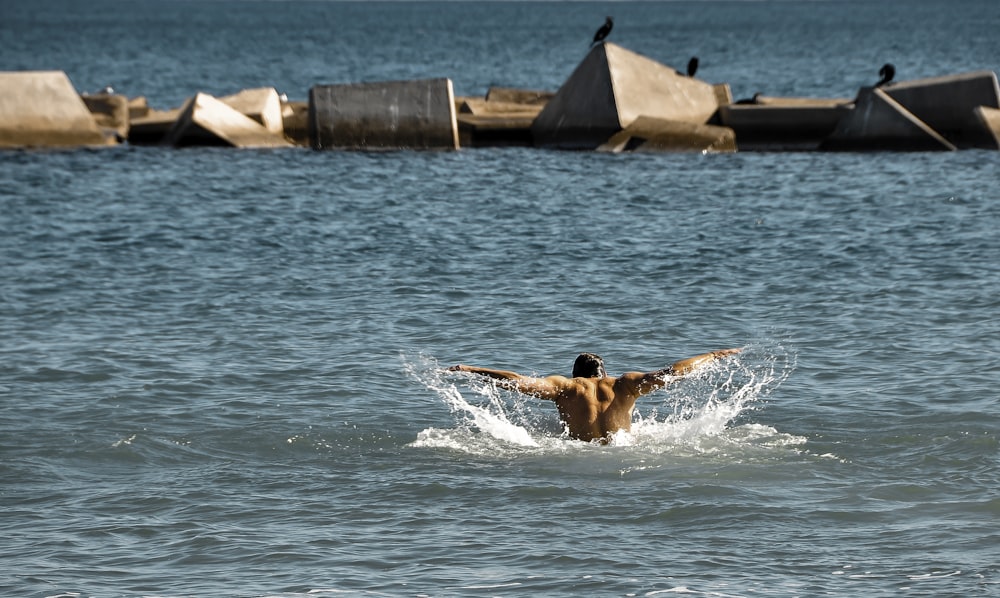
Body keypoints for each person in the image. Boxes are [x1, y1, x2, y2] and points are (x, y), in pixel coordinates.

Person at [448, 348, 741, 443]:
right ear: (603, 373)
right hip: (624, 451)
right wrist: (714, 355)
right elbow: (671, 372)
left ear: (576, 373)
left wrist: (471, 369)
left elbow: (518, 382)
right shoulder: (625, 385)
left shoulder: (566, 387)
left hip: (578, 453)